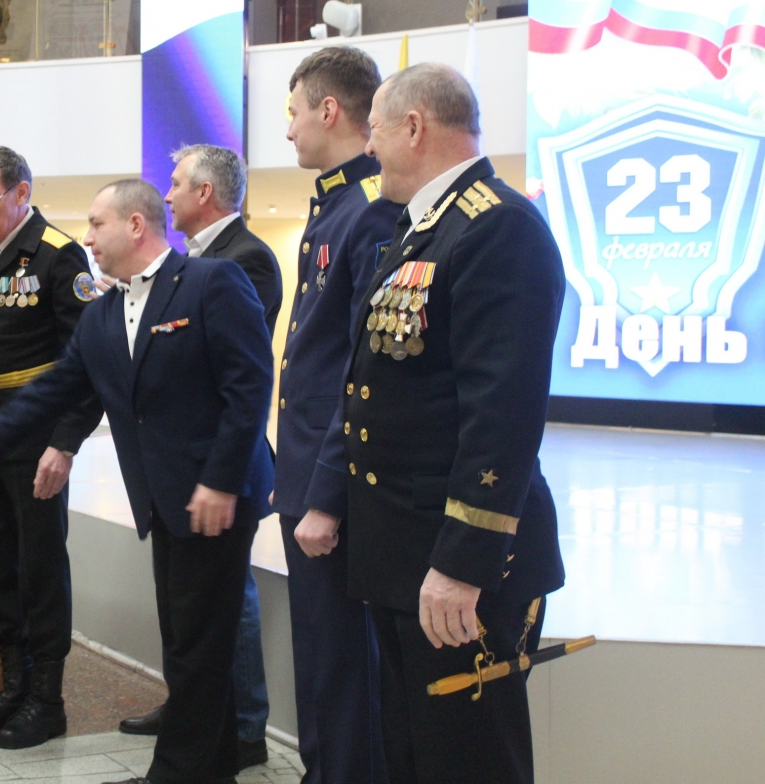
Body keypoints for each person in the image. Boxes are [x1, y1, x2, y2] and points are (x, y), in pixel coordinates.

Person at [0, 178, 276, 784]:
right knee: (190, 638)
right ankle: (214, 765)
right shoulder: (105, 312)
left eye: (96, 224)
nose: (86, 238)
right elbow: (51, 393)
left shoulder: (210, 281)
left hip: (215, 494)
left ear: (136, 225)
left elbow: (249, 386)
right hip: (164, 498)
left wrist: (220, 480)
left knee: (195, 644)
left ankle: (177, 773)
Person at [331, 62, 565, 784]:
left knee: (469, 760)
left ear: (414, 126)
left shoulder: (497, 227)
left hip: (457, 561)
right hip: (405, 550)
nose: (368, 147)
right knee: (413, 752)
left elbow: (503, 415)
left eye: (374, 130)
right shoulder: (425, 229)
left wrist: (463, 564)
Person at [115, 144, 280, 772]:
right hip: (179, 463)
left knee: (227, 601)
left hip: (220, 465)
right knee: (189, 609)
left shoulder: (245, 259)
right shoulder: (191, 262)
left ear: (205, 192)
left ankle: (243, 727)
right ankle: (194, 709)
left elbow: (234, 372)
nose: (167, 195)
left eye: (176, 183)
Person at [0, 146, 103, 749]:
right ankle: (13, 684)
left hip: (35, 437)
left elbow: (88, 364)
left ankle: (48, 698)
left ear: (21, 193)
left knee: (40, 567)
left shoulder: (59, 257)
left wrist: (64, 444)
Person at [278, 46, 402, 784]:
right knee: (321, 653)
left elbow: (361, 369)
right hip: (307, 469)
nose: (289, 129)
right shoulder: (335, 204)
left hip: (336, 477)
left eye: (294, 112)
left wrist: (325, 492)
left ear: (329, 110)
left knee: (344, 658)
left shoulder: (369, 209)